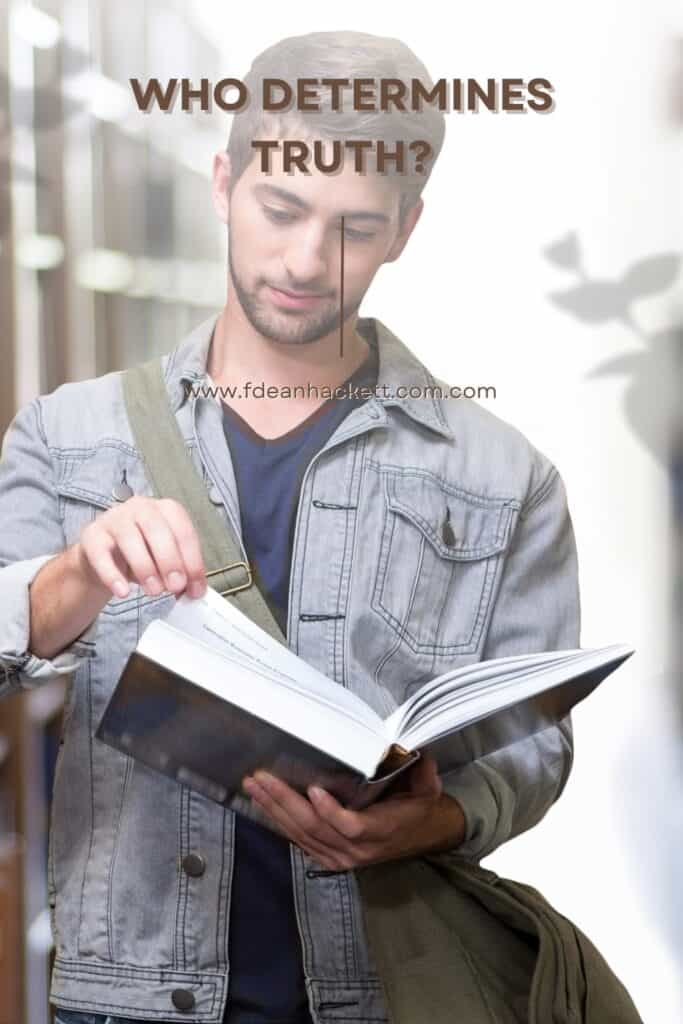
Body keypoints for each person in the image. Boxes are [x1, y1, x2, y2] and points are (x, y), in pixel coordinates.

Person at [0, 30, 579, 1024]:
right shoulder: (68, 435)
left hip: (385, 995)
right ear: (223, 182)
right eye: (280, 209)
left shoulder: (503, 476)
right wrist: (76, 574)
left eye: (354, 225)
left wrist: (434, 818)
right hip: (126, 1002)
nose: (308, 260)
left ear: (405, 228)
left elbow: (532, 749)